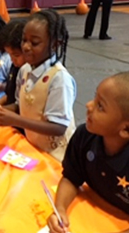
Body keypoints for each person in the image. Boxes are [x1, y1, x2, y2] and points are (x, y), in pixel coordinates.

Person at [0, 9, 76, 161]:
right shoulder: (25, 69)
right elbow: (21, 105)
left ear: (55, 44)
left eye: (34, 43)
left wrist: (14, 120)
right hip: (34, 147)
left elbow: (58, 127)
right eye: (24, 40)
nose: (26, 47)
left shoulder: (59, 79)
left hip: (57, 155)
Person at [47, 71, 129, 233]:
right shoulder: (84, 136)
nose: (88, 105)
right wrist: (60, 209)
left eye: (100, 106)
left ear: (125, 129)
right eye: (94, 97)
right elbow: (71, 177)